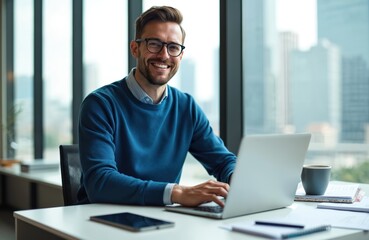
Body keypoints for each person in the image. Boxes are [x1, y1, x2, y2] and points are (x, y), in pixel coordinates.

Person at [78, 6, 236, 207]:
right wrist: (177, 192)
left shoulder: (186, 107)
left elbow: (223, 161)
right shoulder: (100, 104)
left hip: (161, 219)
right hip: (100, 221)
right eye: (154, 44)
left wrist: (238, 181)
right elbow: (100, 182)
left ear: (180, 55)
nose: (164, 55)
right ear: (135, 48)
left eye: (173, 47)